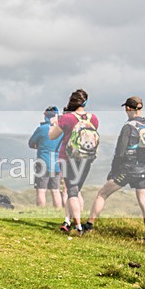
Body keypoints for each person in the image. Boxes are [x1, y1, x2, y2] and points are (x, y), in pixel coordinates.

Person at [85, 96, 145, 243]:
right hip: (144, 168)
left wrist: (113, 171)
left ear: (128, 108)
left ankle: (88, 226)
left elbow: (120, 152)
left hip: (128, 169)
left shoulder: (129, 127)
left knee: (102, 194)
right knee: (144, 201)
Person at [48, 89, 99, 235]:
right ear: (85, 102)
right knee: (75, 191)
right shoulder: (93, 118)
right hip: (86, 159)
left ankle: (78, 227)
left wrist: (53, 123)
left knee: (72, 192)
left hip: (67, 158)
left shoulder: (67, 118)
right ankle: (68, 220)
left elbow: (52, 136)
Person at [28, 106, 64, 208]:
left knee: (41, 189)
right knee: (55, 190)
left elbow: (31, 143)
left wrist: (39, 146)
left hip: (43, 162)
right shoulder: (60, 130)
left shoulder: (41, 129)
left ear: (45, 115)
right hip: (56, 164)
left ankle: (41, 211)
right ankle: (58, 211)